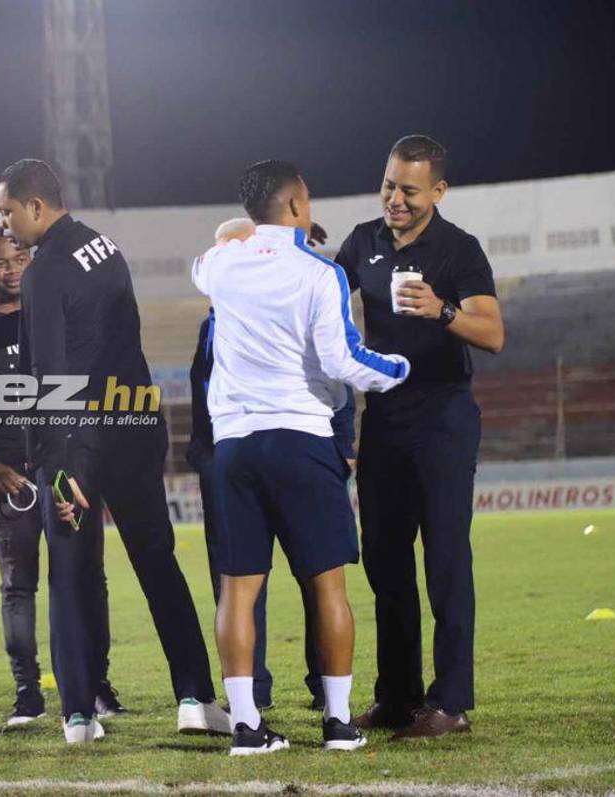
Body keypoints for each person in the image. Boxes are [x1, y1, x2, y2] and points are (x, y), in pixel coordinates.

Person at [0, 158, 227, 744]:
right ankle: (195, 697)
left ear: (36, 207)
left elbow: (48, 371)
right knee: (158, 562)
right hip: (133, 421)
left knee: (70, 575)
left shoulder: (43, 271)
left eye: (6, 212)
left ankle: (77, 715)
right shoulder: (106, 245)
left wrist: (50, 461)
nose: (3, 226)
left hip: (78, 439)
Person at [192, 160, 410, 755]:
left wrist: (240, 233)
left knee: (237, 591)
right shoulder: (320, 272)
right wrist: (400, 369)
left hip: (234, 445)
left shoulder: (222, 266)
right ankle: (338, 724)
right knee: (327, 587)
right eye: (306, 199)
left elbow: (205, 260)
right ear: (292, 207)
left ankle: (246, 727)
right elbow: (343, 362)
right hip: (301, 438)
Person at [335, 135, 504, 739]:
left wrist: (443, 311)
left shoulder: (458, 250)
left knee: (446, 562)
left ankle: (451, 702)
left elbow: (493, 334)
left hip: (443, 418)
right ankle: (398, 697)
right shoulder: (363, 242)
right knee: (384, 564)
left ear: (438, 190)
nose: (395, 199)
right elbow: (322, 296)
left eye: (409, 189)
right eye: (388, 185)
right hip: (384, 418)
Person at [0, 222, 124, 727]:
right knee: (18, 585)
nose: (11, 270)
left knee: (86, 578)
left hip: (63, 469)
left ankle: (95, 684)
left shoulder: (56, 316)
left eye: (19, 260)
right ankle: (28, 692)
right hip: (9, 476)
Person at [186, 216, 354, 714]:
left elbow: (333, 378)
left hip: (288, 449)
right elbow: (202, 397)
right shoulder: (214, 324)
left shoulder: (291, 301)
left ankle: (320, 690)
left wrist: (343, 446)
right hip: (232, 461)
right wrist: (206, 456)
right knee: (242, 585)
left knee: (314, 580)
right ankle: (255, 696)